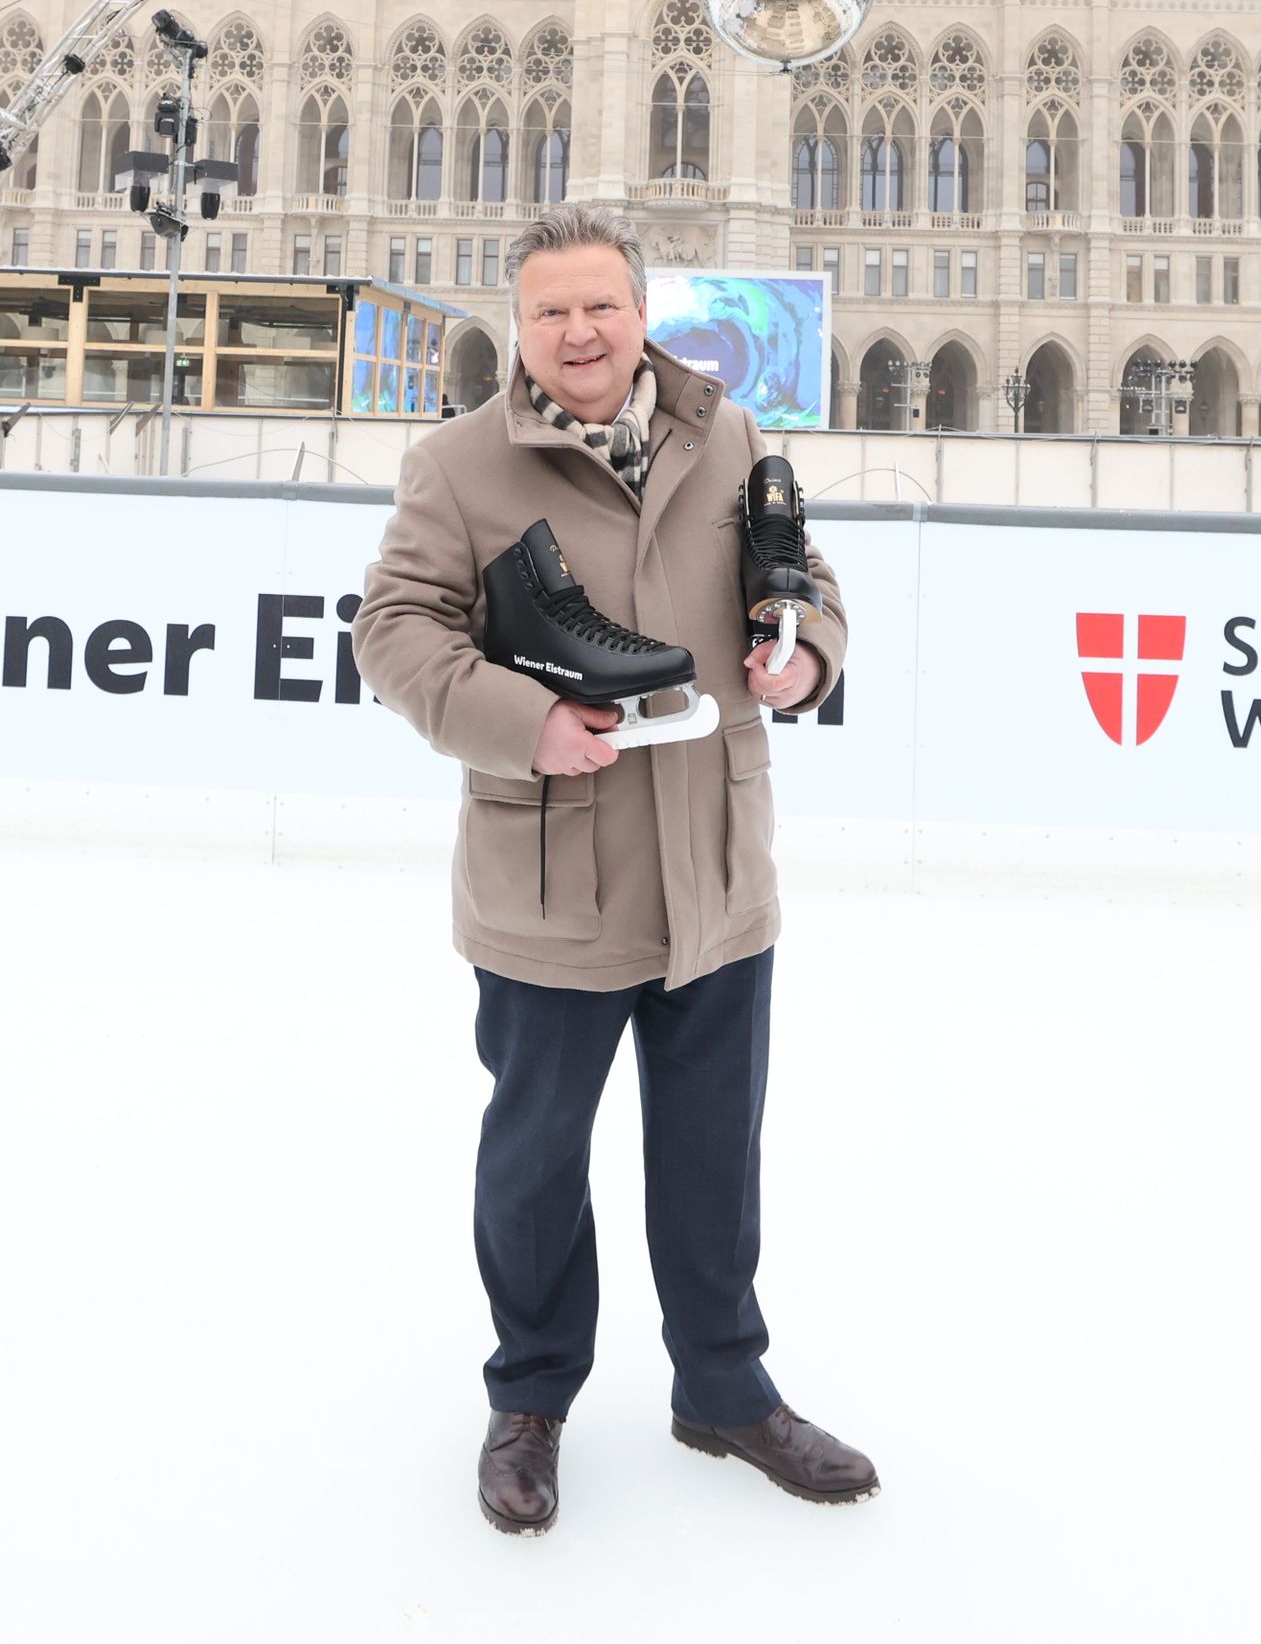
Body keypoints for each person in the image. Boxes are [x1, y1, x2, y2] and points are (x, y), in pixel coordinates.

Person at [357, 203, 875, 1537]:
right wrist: (520, 723)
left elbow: (801, 575)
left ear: (640, 310)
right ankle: (529, 1399)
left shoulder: (731, 434)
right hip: (553, 879)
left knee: (714, 1154)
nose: (578, 332)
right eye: (549, 312)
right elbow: (395, 631)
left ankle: (725, 1387)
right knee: (534, 1162)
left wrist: (806, 651)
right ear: (517, 329)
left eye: (600, 305)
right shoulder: (461, 463)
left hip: (715, 874)